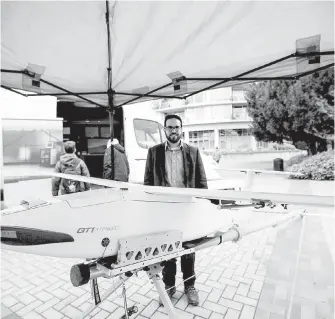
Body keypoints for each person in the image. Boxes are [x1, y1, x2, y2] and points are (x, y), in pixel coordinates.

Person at [144, 114, 207, 306]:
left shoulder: (193, 152)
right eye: (170, 127)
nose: (173, 130)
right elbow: (147, 182)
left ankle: (190, 286)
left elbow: (202, 181)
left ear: (181, 129)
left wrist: (203, 206)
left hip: (186, 208)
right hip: (164, 210)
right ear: (164, 129)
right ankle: (169, 286)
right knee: (167, 249)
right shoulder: (154, 152)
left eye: (177, 127)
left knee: (188, 249)